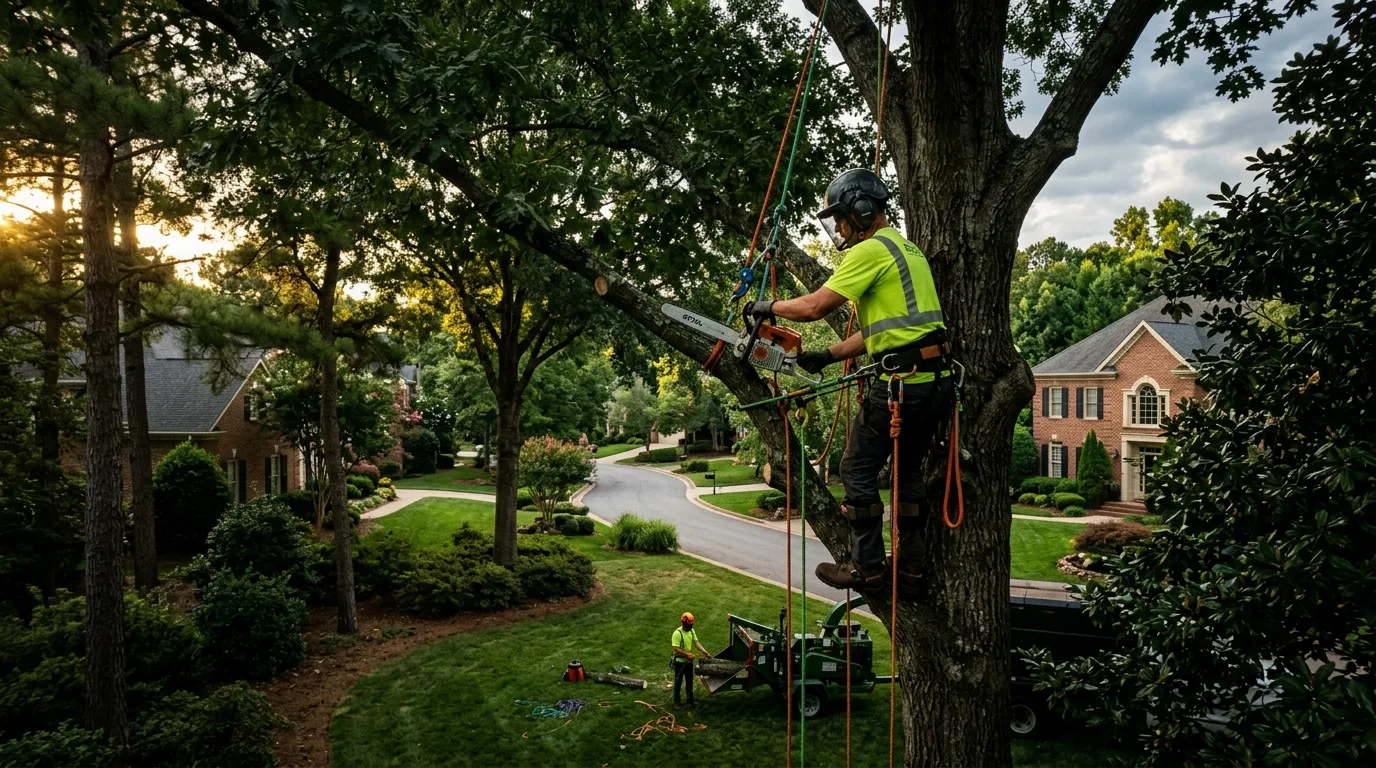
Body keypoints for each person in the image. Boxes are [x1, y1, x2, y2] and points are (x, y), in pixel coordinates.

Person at [744, 168, 953, 591]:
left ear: (862, 208)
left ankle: (868, 567)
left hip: (902, 384)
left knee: (855, 468)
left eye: (841, 217)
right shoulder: (907, 250)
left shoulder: (870, 251)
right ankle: (911, 569)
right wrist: (828, 354)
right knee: (907, 473)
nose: (839, 227)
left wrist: (767, 306)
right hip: (936, 381)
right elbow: (888, 331)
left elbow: (815, 306)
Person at [670, 612, 710, 706]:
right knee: (678, 682)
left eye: (692, 624)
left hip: (688, 662)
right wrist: (687, 655)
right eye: (690, 625)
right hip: (679, 662)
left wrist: (705, 652)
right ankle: (677, 702)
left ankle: (690, 701)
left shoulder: (691, 631)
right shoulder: (677, 633)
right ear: (684, 624)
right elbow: (676, 648)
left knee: (689, 681)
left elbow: (696, 642)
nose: (691, 626)